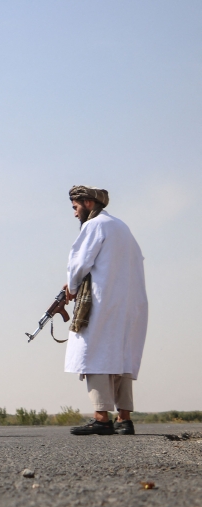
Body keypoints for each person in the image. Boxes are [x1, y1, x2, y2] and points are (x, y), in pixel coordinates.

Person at [64, 185, 148, 436]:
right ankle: (124, 419)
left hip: (103, 301)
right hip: (130, 303)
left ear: (88, 203)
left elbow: (79, 263)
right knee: (120, 356)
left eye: (75, 207)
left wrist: (72, 285)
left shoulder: (95, 225)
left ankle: (101, 418)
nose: (75, 214)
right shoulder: (121, 227)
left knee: (95, 353)